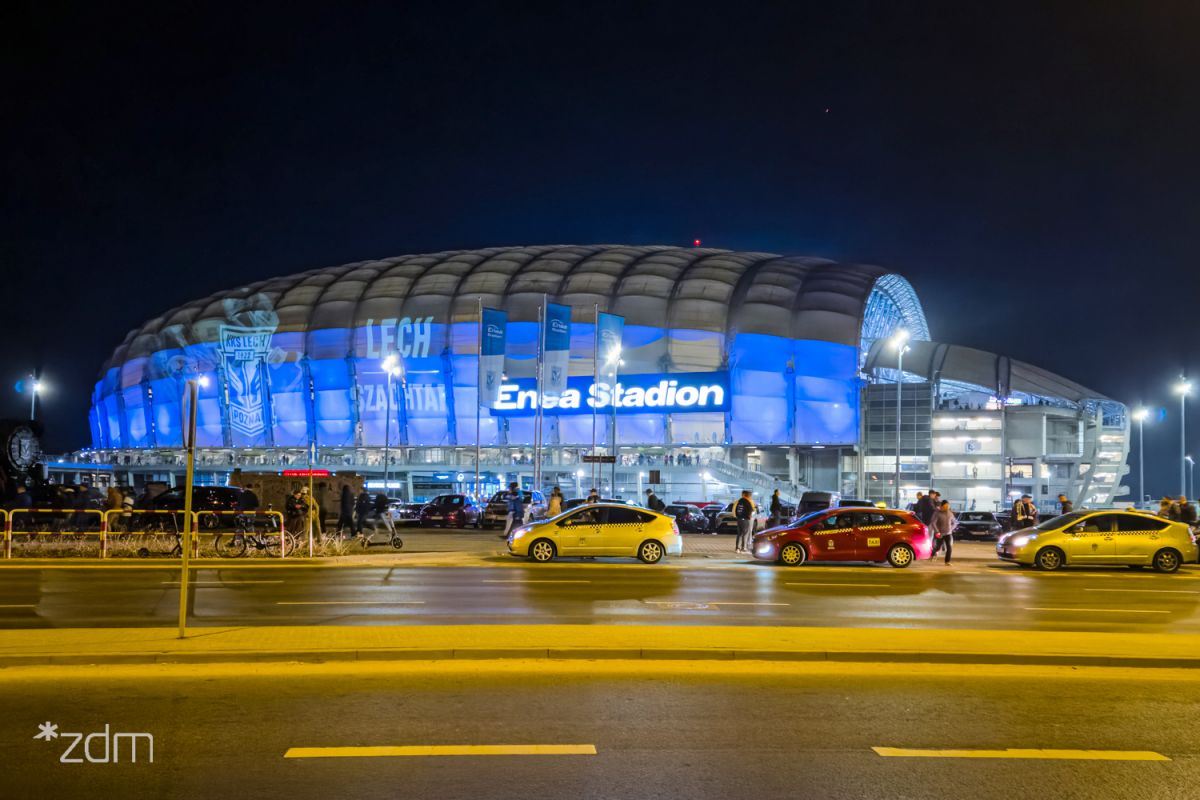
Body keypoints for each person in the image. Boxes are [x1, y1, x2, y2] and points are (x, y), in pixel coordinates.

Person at [929, 499, 957, 564]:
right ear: (942, 506)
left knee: (949, 547)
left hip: (948, 534)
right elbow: (933, 523)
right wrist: (937, 531)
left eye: (948, 506)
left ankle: (947, 561)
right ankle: (933, 554)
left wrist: (951, 529)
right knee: (937, 547)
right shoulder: (937, 513)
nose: (947, 507)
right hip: (940, 534)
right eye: (945, 506)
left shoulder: (950, 513)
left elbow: (955, 522)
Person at [734, 490, 755, 554]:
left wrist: (738, 516)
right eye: (750, 495)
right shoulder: (747, 502)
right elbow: (751, 510)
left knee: (739, 534)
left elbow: (736, 510)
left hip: (739, 519)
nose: (751, 497)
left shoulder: (739, 501)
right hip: (745, 519)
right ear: (748, 495)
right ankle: (744, 548)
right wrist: (749, 517)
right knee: (745, 534)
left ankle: (737, 548)